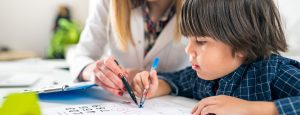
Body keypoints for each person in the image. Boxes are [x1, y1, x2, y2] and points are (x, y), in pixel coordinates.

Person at [132, 0, 300, 114]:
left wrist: (249, 108)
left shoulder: (273, 73)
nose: (188, 49)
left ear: (242, 44)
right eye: (188, 39)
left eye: (201, 41)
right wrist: (156, 85)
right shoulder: (206, 75)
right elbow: (176, 81)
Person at [67, 0, 190, 96]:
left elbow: (204, 76)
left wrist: (162, 82)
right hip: (118, 101)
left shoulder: (200, 5)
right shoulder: (108, 3)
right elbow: (81, 55)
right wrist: (94, 71)